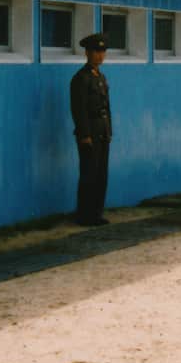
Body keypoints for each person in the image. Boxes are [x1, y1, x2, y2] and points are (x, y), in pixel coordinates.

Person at [70, 32, 113, 226]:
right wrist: (84, 134)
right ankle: (84, 215)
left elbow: (107, 106)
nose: (100, 55)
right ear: (87, 53)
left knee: (101, 174)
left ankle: (96, 213)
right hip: (90, 132)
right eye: (96, 51)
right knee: (89, 173)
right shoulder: (81, 78)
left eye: (103, 51)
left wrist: (109, 130)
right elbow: (79, 109)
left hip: (102, 130)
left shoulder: (101, 77)